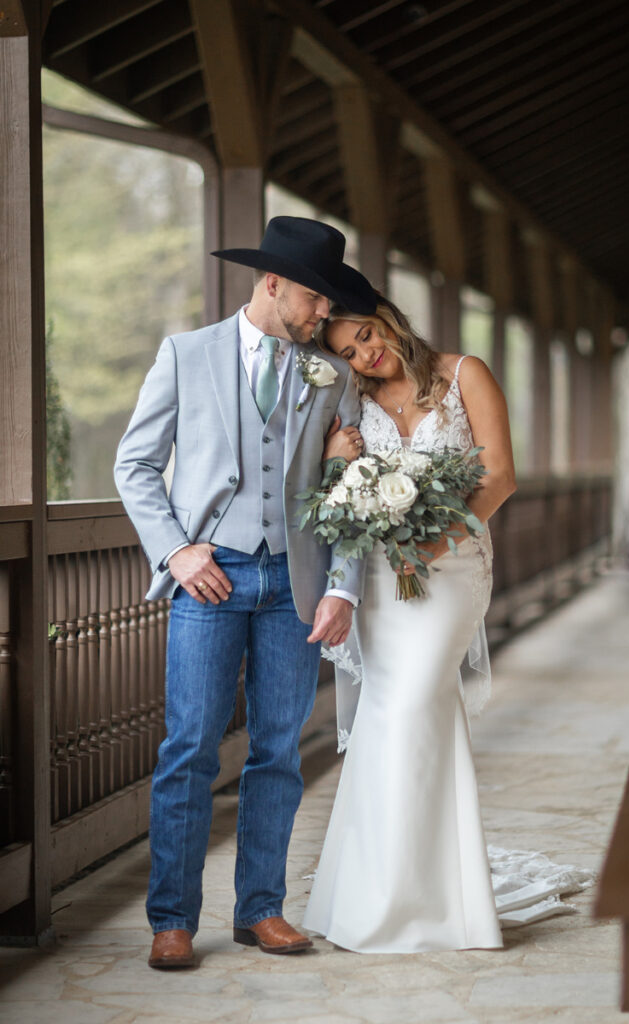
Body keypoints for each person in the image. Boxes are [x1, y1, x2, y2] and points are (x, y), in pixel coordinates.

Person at [114, 216, 375, 969]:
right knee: (190, 748)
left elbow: (353, 491)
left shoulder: (332, 375)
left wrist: (342, 590)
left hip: (293, 586)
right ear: (271, 283)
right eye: (315, 298)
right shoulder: (185, 354)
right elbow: (135, 466)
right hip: (210, 578)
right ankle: (172, 919)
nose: (324, 313)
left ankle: (261, 909)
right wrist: (177, 548)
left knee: (278, 754)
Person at [303, 293, 517, 952]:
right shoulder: (350, 400)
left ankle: (415, 898)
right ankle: (391, 894)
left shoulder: (463, 374)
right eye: (347, 352)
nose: (365, 354)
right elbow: (324, 485)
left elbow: (500, 474)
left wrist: (431, 539)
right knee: (393, 715)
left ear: (389, 321)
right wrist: (338, 464)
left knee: (413, 703)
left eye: (367, 336)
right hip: (377, 576)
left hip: (450, 568)